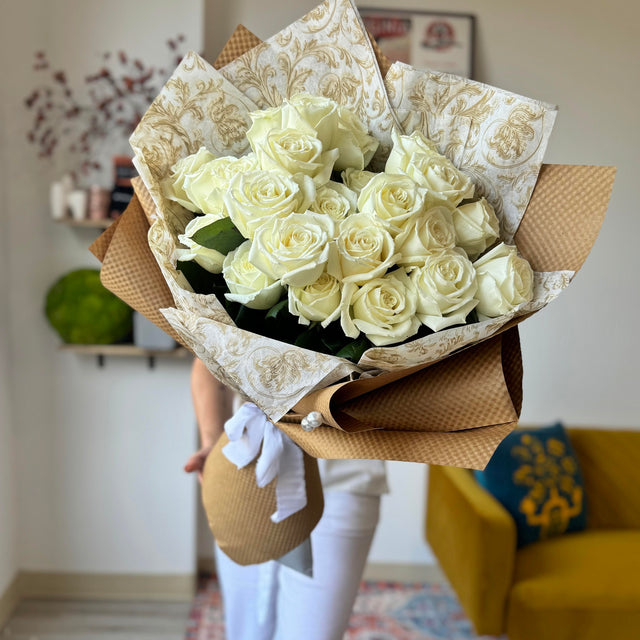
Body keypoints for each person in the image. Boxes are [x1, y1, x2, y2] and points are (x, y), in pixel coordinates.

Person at [184, 358, 388, 640]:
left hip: (343, 475)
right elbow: (206, 360)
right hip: (245, 464)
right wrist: (212, 442)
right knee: (245, 629)